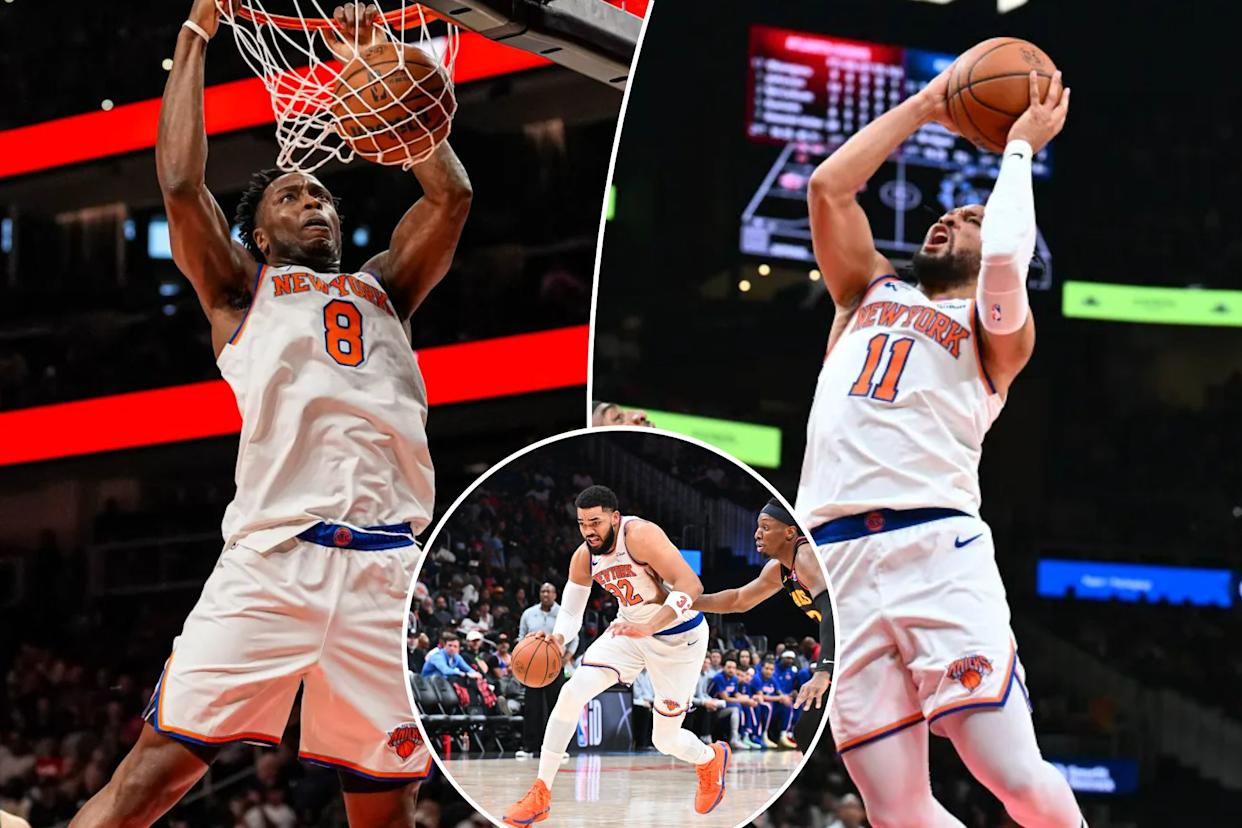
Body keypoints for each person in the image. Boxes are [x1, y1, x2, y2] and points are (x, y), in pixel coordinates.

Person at [71, 3, 471, 826]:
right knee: (150, 783)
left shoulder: (384, 286)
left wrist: (376, 64)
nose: (314, 202)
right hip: (272, 563)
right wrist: (194, 33)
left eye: (322, 194)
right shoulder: (238, 289)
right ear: (256, 231)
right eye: (292, 195)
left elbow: (453, 195)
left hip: (389, 574)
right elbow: (180, 183)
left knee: (387, 814)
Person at [795, 56, 1082, 828]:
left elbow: (1005, 259)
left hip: (935, 551)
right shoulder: (865, 291)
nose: (951, 217)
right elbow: (828, 187)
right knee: (896, 810)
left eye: (973, 216)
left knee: (1014, 775)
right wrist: (925, 103)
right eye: (949, 213)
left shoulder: (998, 335)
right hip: (838, 564)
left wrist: (1019, 147)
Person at [504, 486, 730, 825]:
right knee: (570, 693)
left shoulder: (640, 535)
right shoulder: (584, 557)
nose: (589, 531)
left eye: (595, 522)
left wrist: (652, 625)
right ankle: (540, 793)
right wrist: (555, 638)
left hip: (678, 636)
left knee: (664, 739)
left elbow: (690, 585)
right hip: (628, 631)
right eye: (582, 523)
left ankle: (709, 758)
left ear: (614, 517)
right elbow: (572, 613)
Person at [694, 499, 834, 714]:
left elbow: (833, 612)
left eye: (766, 527)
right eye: (758, 527)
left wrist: (824, 671)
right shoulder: (779, 569)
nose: (757, 534)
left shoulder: (806, 556)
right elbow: (738, 600)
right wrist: (686, 602)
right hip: (844, 642)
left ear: (789, 532)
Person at [515, 583, 578, 760]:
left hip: (554, 666)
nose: (546, 594)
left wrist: (565, 660)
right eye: (543, 591)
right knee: (532, 707)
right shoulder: (528, 613)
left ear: (555, 594)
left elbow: (574, 638)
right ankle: (529, 747)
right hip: (532, 667)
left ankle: (557, 748)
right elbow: (521, 638)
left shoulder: (563, 615)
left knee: (556, 708)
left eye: (549, 591)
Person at [707, 659, 757, 751]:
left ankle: (745, 736)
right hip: (712, 706)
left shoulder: (734, 678)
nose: (731, 670)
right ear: (724, 668)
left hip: (724, 705)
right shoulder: (719, 678)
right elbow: (725, 698)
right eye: (729, 667)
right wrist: (743, 700)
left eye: (733, 668)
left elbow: (736, 694)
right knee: (736, 707)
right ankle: (734, 738)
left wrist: (747, 699)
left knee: (746, 705)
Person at [748, 660, 792, 749]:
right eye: (767, 668)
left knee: (787, 705)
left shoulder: (773, 679)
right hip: (760, 705)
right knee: (767, 706)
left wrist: (784, 698)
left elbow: (779, 692)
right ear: (761, 669)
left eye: (771, 669)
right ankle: (763, 735)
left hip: (772, 705)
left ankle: (783, 735)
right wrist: (779, 698)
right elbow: (761, 697)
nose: (769, 671)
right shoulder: (757, 678)